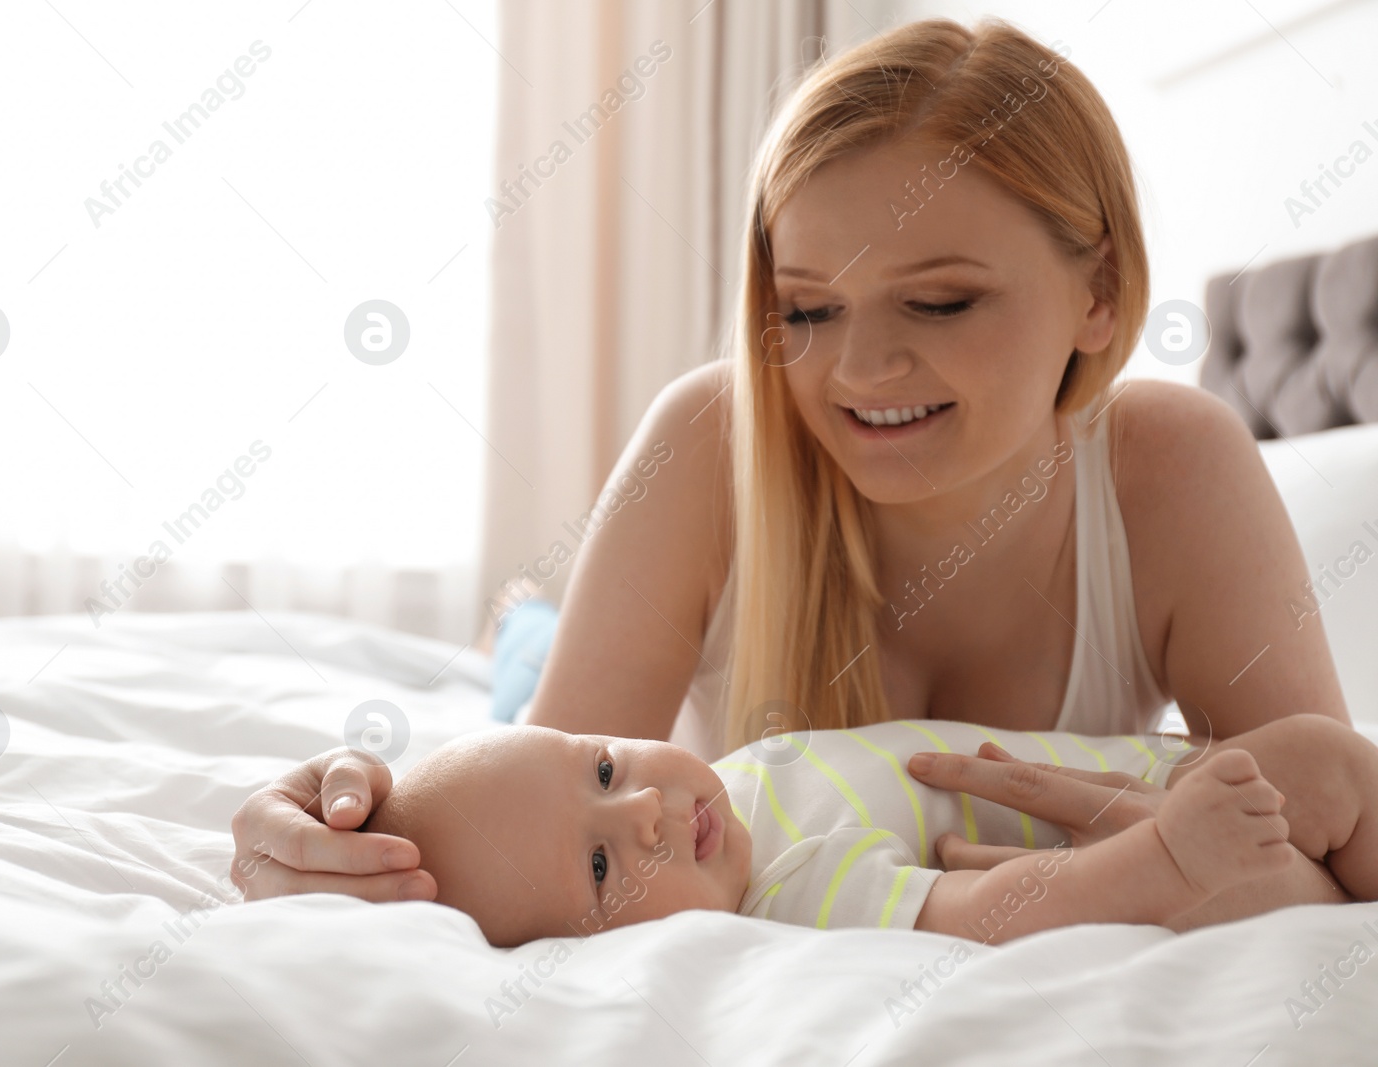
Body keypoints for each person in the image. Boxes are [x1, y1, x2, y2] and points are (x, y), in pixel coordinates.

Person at [228, 17, 1352, 909]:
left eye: (941, 298)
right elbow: (534, 806)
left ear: (1099, 293)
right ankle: (522, 623)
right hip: (655, 737)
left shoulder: (1174, 468)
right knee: (524, 674)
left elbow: (1332, 854)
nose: (858, 369)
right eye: (807, 308)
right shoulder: (713, 439)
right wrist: (351, 822)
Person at [347, 714, 1378, 948]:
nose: (648, 808)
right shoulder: (792, 887)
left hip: (1178, 778)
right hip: (1195, 859)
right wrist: (1168, 851)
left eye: (604, 768)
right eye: (603, 860)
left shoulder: (734, 790)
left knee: (1335, 758)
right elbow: (982, 911)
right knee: (1334, 772)